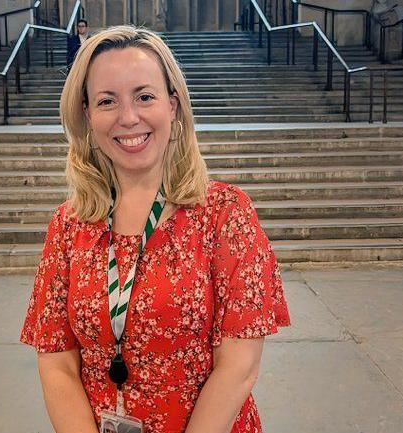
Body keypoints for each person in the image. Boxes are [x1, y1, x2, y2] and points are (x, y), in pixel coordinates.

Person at [20, 25, 291, 433]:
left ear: (173, 106)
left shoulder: (225, 215)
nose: (129, 118)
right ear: (88, 116)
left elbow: (238, 366)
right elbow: (56, 361)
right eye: (107, 101)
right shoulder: (68, 225)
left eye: (144, 96)